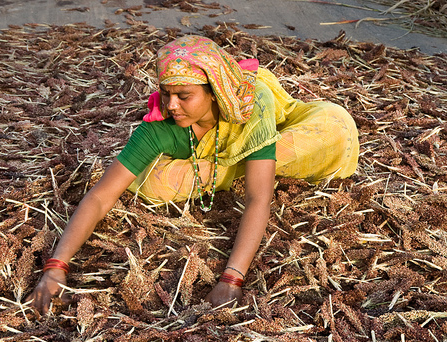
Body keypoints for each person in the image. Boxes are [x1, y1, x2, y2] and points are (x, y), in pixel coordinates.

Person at [27, 35, 359, 315]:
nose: (171, 104)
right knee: (155, 182)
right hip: (224, 154)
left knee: (335, 129)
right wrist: (56, 267)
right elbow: (101, 197)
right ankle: (234, 165)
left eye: (184, 96)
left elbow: (259, 197)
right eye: (167, 92)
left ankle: (237, 163)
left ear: (214, 91)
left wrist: (232, 278)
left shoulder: (252, 106)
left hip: (286, 130)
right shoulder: (160, 126)